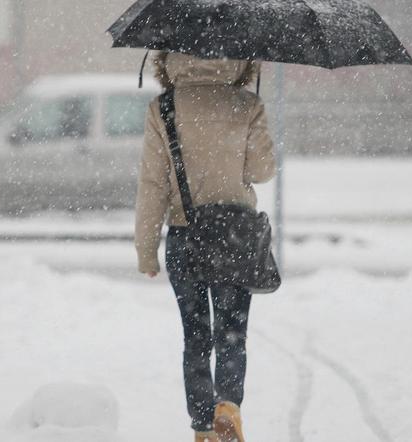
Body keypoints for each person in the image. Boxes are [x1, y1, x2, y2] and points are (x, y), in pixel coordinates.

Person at [134, 52, 275, 442]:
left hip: (186, 234)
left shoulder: (162, 107)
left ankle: (202, 428)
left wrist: (146, 249)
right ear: (240, 56)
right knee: (232, 331)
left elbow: (153, 184)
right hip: (236, 235)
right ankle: (227, 405)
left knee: (195, 336)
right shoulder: (248, 104)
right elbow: (262, 171)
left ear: (169, 55)